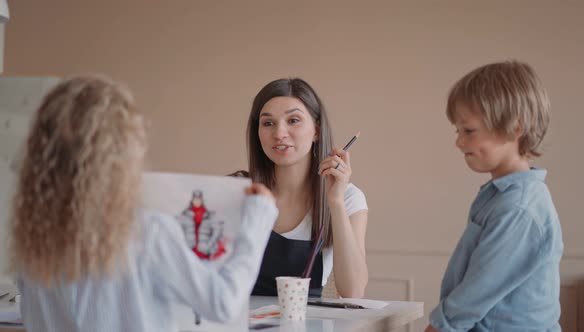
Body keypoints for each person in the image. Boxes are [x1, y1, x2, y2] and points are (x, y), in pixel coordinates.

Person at [10, 75, 278, 332]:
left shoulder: (32, 241)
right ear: (121, 153)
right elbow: (223, 304)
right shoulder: (147, 232)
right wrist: (257, 220)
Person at [425, 61, 563, 332]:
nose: (459, 142)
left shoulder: (519, 207)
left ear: (515, 128)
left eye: (469, 131)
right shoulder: (499, 197)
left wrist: (439, 327)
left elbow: (478, 290)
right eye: (458, 131)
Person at [239, 77, 369, 298]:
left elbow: (353, 291)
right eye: (268, 123)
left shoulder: (348, 198)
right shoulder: (238, 191)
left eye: (293, 120)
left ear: (317, 131)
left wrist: (335, 202)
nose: (279, 133)